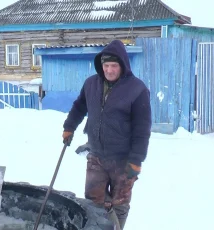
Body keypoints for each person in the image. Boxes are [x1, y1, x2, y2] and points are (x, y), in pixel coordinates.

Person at [62, 39, 152, 230]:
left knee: (119, 203)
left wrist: (136, 160)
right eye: (106, 65)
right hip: (96, 154)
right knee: (94, 201)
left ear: (122, 65)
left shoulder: (137, 89)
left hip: (123, 158)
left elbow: (142, 129)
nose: (109, 70)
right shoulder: (91, 84)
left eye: (113, 66)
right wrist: (69, 126)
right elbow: (79, 106)